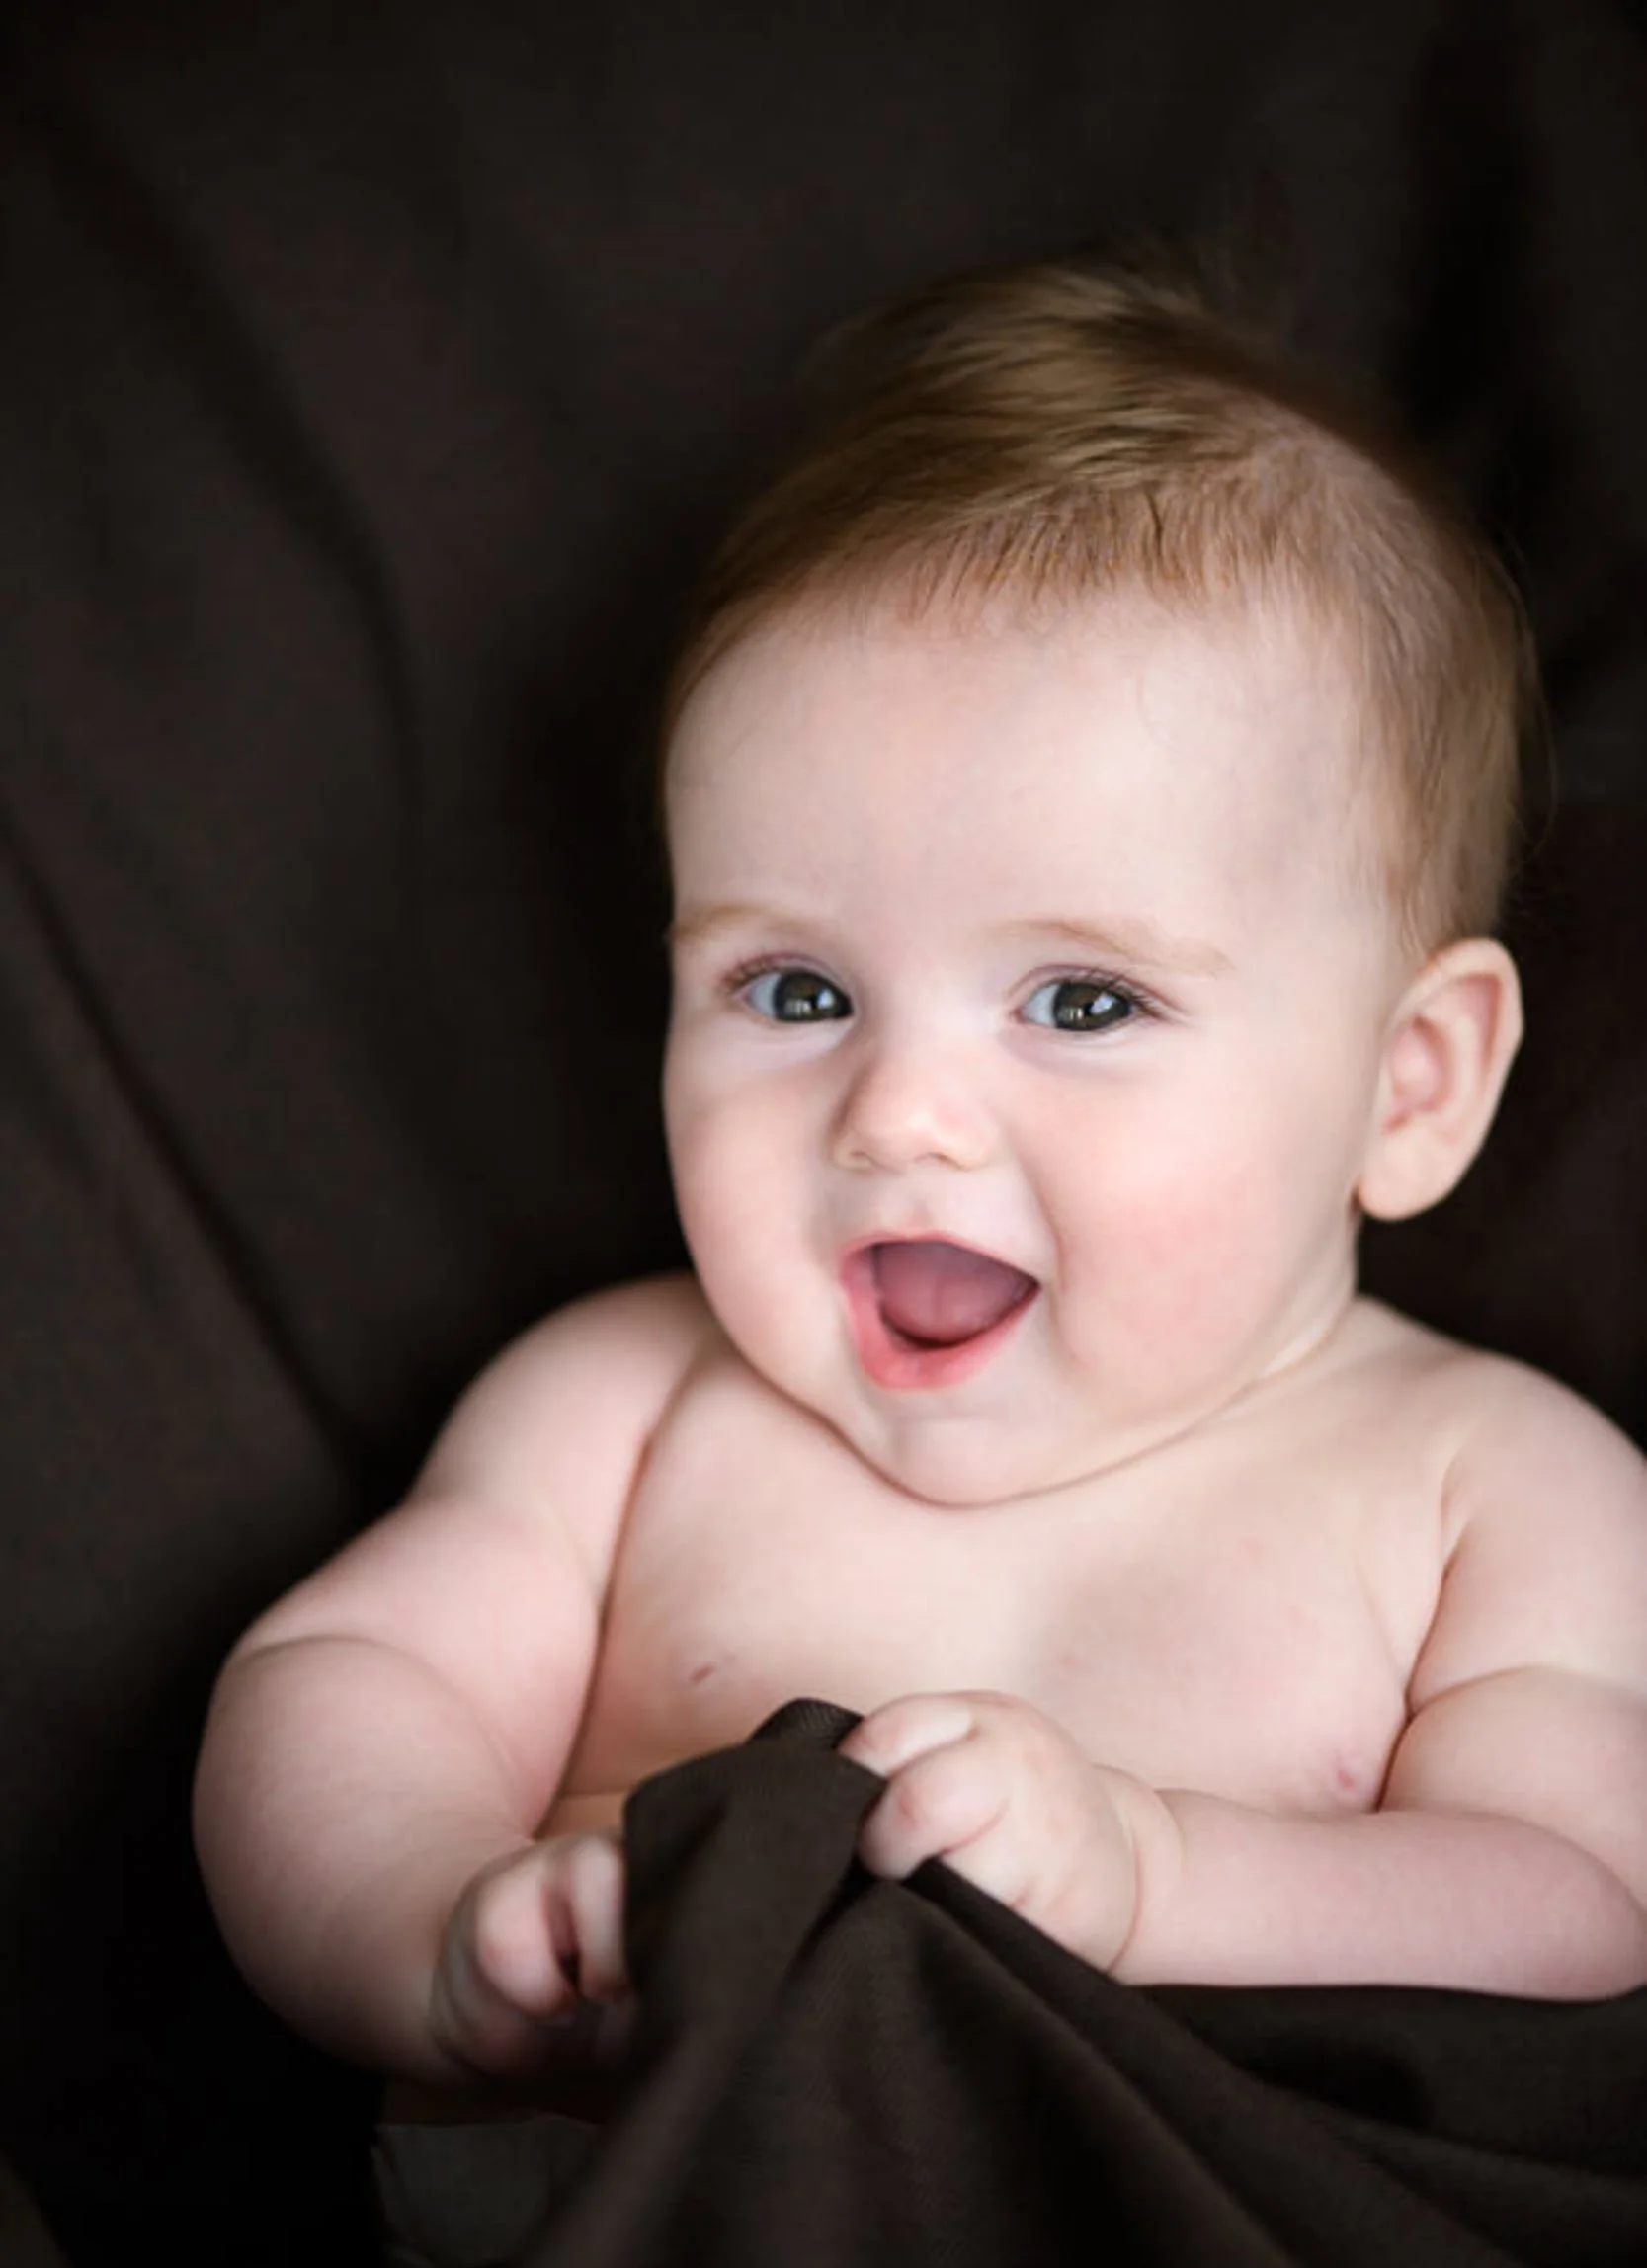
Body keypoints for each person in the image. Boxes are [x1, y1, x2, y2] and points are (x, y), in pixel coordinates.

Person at [194, 262, 1647, 2092]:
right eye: (794, 990)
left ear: (1404, 1086)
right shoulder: (629, 1408)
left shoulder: (1485, 1487)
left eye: (1080, 999)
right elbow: (336, 1681)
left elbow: (1585, 1899)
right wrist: (423, 1924)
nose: (898, 1116)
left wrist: (1160, 1877)